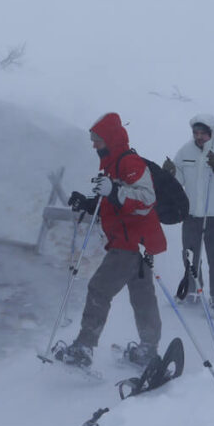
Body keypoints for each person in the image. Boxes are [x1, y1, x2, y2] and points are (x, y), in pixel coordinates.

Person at [55, 112, 167, 369]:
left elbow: (147, 199)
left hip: (129, 243)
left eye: (97, 139)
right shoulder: (111, 163)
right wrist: (88, 202)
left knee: (99, 289)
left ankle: (84, 347)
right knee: (142, 296)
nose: (94, 144)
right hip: (135, 241)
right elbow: (112, 202)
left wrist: (113, 191)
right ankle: (149, 348)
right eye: (93, 139)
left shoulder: (129, 163)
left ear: (111, 139)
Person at [162, 114, 214, 314]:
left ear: (211, 133)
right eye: (196, 133)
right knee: (189, 256)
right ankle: (192, 290)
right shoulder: (185, 151)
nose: (199, 137)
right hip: (192, 215)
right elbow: (179, 180)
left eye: (203, 134)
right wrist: (171, 173)